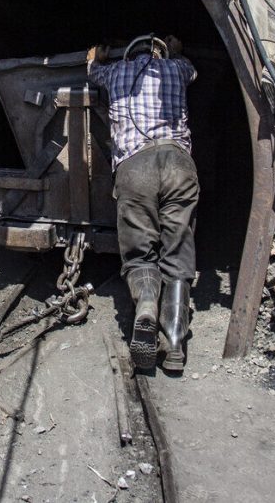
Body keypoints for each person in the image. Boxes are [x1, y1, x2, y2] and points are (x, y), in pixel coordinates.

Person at [87, 35, 199, 372]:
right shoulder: (177, 69)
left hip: (135, 166)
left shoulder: (114, 74)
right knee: (178, 248)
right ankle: (176, 345)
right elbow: (191, 68)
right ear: (158, 51)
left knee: (140, 251)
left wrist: (96, 56)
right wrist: (176, 49)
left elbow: (93, 70)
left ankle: (147, 304)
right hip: (179, 163)